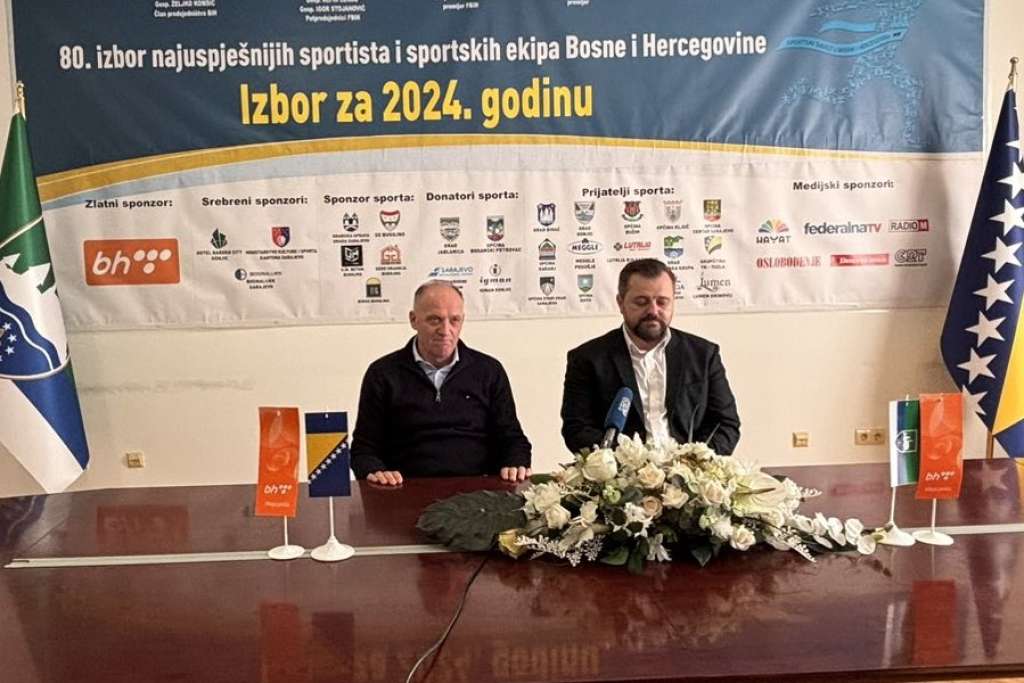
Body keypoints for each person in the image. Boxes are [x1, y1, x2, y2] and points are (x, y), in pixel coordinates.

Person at [351, 280, 532, 485]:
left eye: (454, 320)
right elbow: (363, 450)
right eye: (435, 320)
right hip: (404, 489)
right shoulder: (382, 374)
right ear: (413, 320)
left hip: (478, 490)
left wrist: (516, 463)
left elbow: (513, 439)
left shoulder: (489, 371)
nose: (445, 330)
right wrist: (374, 471)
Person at [560, 258, 740, 455]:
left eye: (662, 302)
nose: (653, 311)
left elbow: (725, 424)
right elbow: (577, 430)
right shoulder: (588, 359)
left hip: (690, 470)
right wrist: (628, 462)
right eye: (641, 302)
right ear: (621, 303)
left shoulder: (703, 355)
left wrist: (694, 461)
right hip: (621, 470)